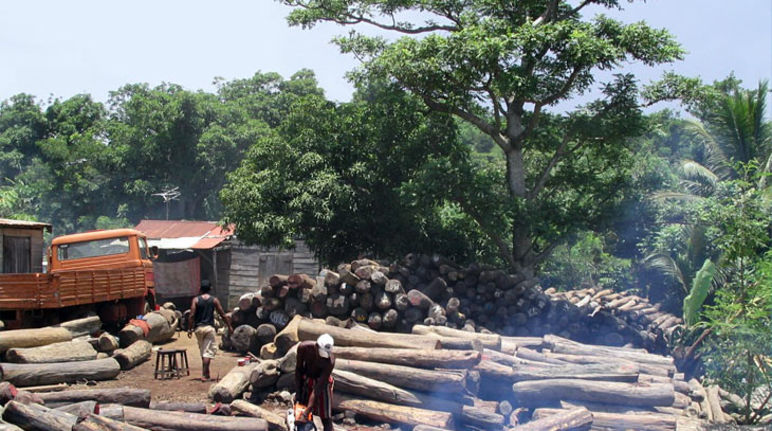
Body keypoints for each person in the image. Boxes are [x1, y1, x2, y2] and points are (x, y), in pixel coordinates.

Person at [187, 280, 233, 381]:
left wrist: (190, 329)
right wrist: (229, 326)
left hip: (198, 329)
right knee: (207, 352)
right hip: (209, 328)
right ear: (210, 289)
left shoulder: (196, 300)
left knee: (203, 351)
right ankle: (204, 374)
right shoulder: (214, 300)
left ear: (200, 289)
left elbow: (191, 315)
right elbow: (222, 314)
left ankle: (207, 373)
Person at [295, 334, 335, 431]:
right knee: (301, 410)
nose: (323, 358)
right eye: (322, 354)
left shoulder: (330, 362)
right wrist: (298, 393)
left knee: (326, 417)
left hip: (322, 384)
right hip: (307, 379)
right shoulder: (304, 348)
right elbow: (299, 370)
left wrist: (306, 412)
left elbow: (318, 388)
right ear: (316, 346)